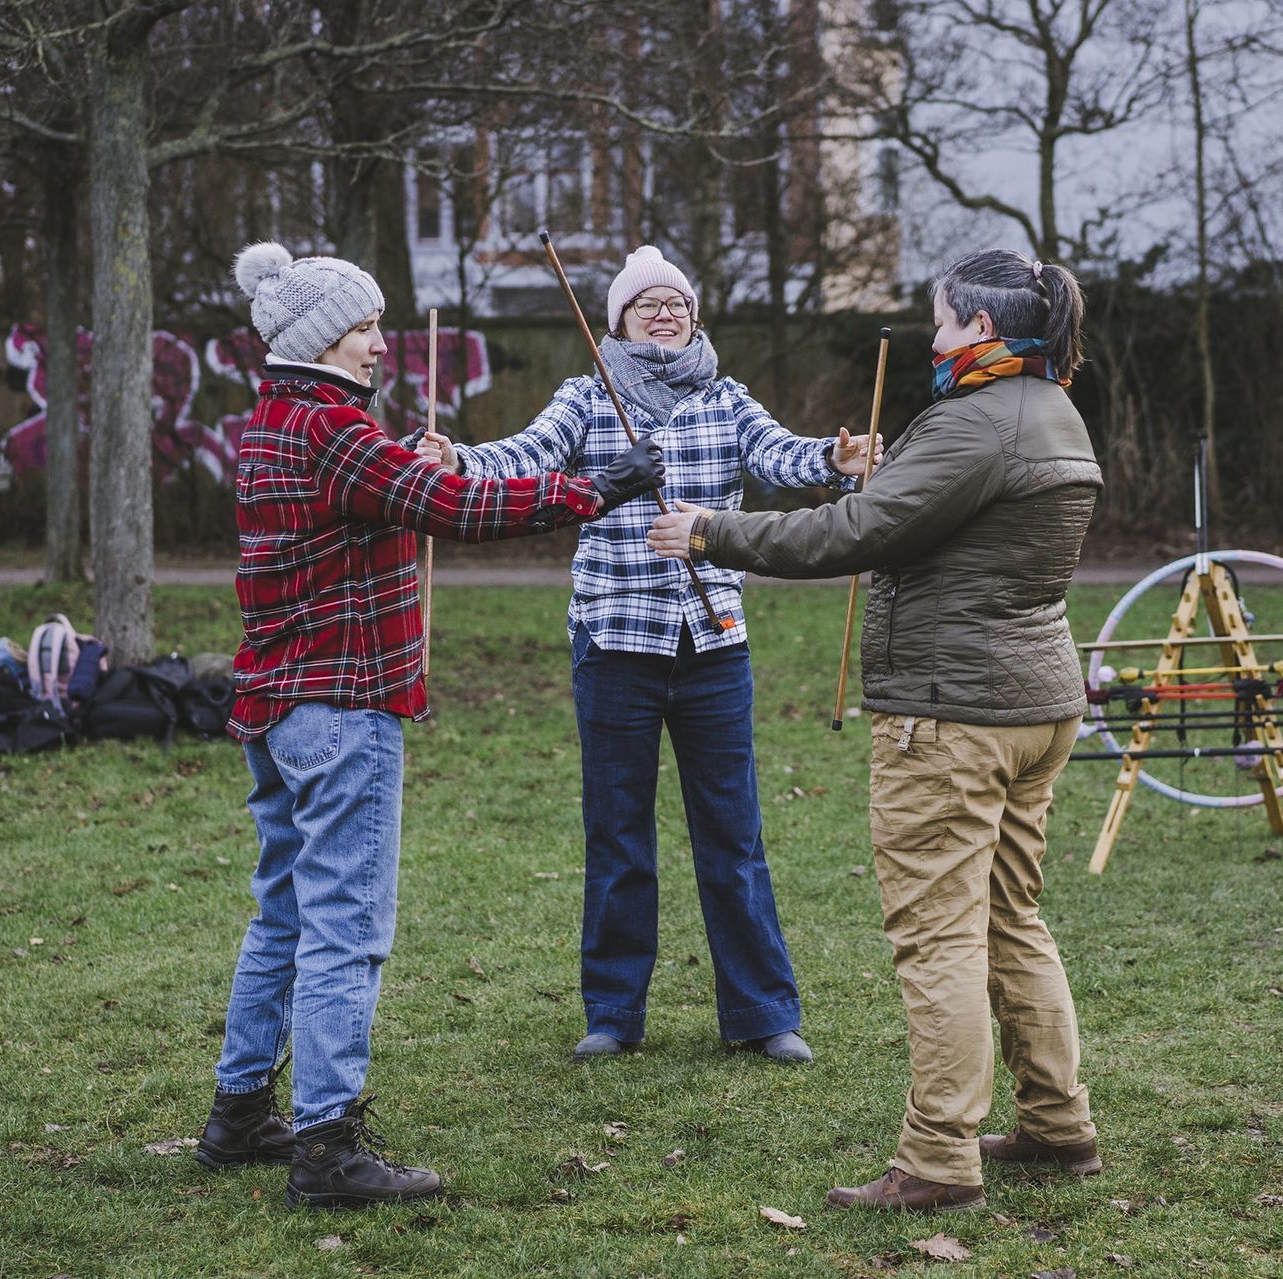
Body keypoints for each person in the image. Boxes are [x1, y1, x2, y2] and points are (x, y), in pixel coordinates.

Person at [197, 242, 665, 1209]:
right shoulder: (331, 430)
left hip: (281, 709)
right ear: (325, 336)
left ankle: (240, 1113)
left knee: (283, 910)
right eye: (367, 327)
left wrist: (401, 467)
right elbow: (454, 503)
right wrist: (598, 488)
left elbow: (382, 494)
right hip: (341, 711)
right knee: (344, 928)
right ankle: (327, 1149)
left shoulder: (279, 421)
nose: (380, 343)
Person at [647, 247, 1104, 1213]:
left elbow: (849, 533)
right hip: (1036, 706)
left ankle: (939, 1156)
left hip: (954, 717)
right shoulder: (1050, 410)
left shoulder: (978, 421)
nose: (933, 337)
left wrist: (709, 529)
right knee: (1010, 917)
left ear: (981, 328)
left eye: (941, 320)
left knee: (937, 936)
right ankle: (1058, 1122)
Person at [415, 245, 879, 1065]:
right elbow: (527, 454)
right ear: (618, 323)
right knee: (618, 832)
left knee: (733, 834)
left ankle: (764, 1012)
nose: (663, 314)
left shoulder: (726, 398)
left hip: (712, 644)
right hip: (615, 642)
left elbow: (781, 456)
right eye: (645, 305)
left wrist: (837, 463)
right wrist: (458, 460)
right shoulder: (587, 397)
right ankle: (613, 1012)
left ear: (694, 318)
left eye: (676, 303)